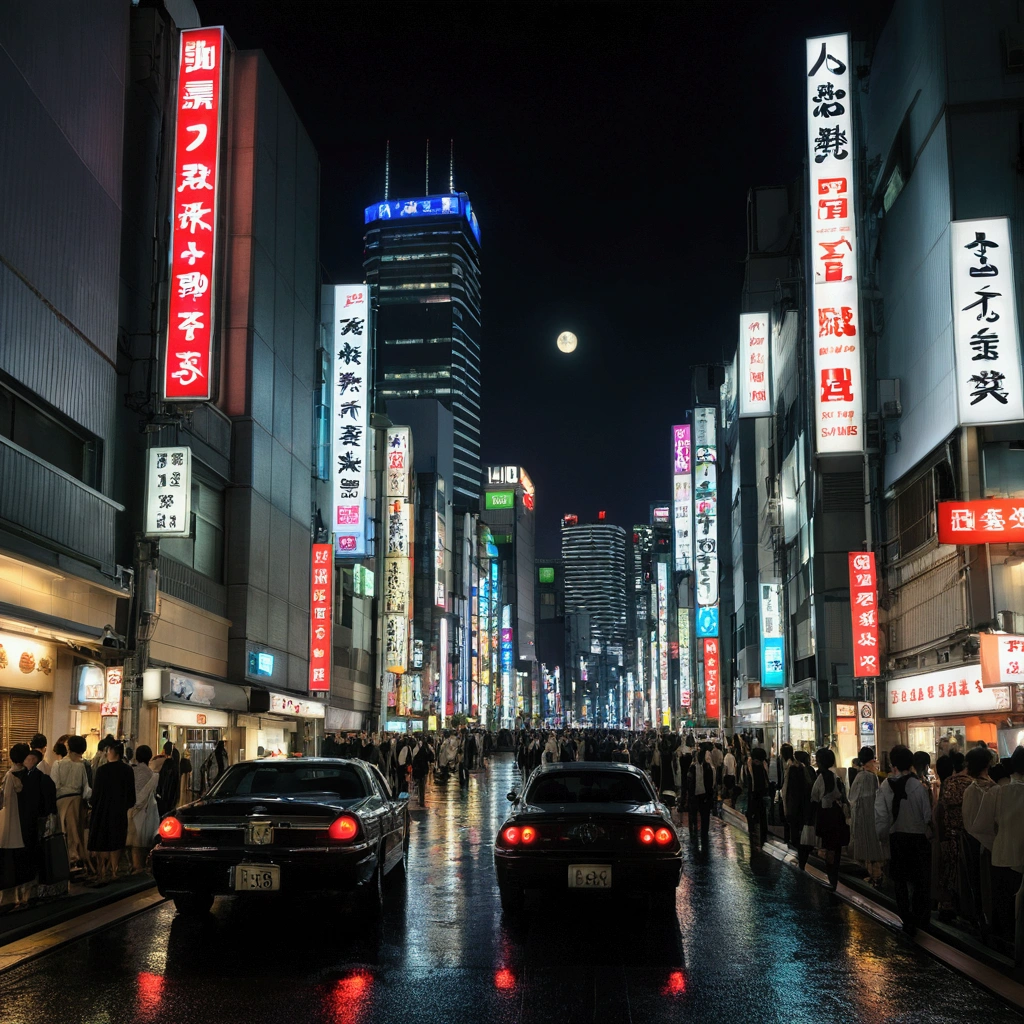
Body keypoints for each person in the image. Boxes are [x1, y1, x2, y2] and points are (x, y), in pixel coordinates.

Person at [875, 744, 933, 935]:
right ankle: (917, 917)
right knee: (918, 880)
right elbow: (927, 816)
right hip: (917, 839)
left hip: (896, 837)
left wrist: (883, 838)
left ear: (894, 765)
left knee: (899, 879)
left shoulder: (885, 786)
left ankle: (905, 917)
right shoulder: (918, 786)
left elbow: (881, 816)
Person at [970, 745, 1024, 943]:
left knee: (1004, 908)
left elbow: (978, 826)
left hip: (1001, 858)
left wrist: (997, 842)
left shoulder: (997, 792)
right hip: (1019, 860)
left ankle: (1005, 948)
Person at [88, 740, 136, 884]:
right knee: (117, 839)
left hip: (102, 810)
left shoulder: (102, 770)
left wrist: (92, 804)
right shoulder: (127, 770)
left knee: (102, 839)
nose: (107, 753)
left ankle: (102, 871)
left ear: (113, 752)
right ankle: (115, 870)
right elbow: (131, 795)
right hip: (119, 809)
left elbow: (96, 793)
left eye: (108, 751)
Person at [961, 745, 996, 932]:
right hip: (992, 845)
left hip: (973, 843)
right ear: (988, 764)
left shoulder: (971, 790)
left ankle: (980, 920)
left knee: (977, 885)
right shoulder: (995, 788)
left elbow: (967, 821)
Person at [935, 750, 971, 922]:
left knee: (948, 870)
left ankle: (947, 906)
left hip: (948, 835)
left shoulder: (948, 783)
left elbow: (941, 810)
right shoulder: (972, 784)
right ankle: (964, 909)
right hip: (967, 837)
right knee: (965, 873)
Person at [51, 735, 92, 875]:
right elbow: (86, 789)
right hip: (77, 801)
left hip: (61, 801)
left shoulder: (58, 764)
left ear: (68, 747)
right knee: (77, 831)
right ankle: (78, 859)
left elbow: (54, 785)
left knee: (63, 831)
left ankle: (68, 861)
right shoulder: (82, 766)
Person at [810, 748, 849, 890]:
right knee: (836, 846)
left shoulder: (820, 778)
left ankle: (831, 877)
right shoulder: (836, 777)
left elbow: (814, 797)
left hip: (825, 815)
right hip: (837, 815)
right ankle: (834, 875)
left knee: (828, 846)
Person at [848, 745, 884, 888]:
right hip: (872, 815)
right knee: (873, 845)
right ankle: (876, 875)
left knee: (864, 846)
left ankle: (873, 875)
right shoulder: (872, 777)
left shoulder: (860, 776)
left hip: (861, 815)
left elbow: (852, 797)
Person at [0, 745, 30, 909]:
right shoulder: (30, 775)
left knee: (9, 862)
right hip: (27, 824)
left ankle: (9, 898)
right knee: (23, 861)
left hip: (10, 826)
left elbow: (4, 802)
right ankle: (24, 895)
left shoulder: (9, 776)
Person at [126, 745, 160, 875]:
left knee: (132, 838)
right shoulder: (151, 774)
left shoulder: (132, 771)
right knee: (142, 839)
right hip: (146, 810)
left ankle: (133, 865)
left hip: (130, 808)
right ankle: (140, 865)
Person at [785, 750, 817, 869]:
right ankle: (803, 862)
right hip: (806, 809)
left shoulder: (794, 770)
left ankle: (801, 863)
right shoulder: (809, 771)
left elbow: (789, 792)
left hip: (796, 809)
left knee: (798, 839)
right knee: (805, 839)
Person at [687, 744, 715, 852]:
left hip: (703, 794)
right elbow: (690, 781)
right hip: (697, 794)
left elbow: (710, 781)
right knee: (698, 814)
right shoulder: (694, 767)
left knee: (704, 815)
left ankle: (702, 834)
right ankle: (697, 833)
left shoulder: (705, 767)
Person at [745, 748, 770, 852]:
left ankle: (756, 837)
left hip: (756, 794)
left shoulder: (754, 765)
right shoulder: (757, 765)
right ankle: (760, 838)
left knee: (755, 814)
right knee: (760, 815)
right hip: (757, 794)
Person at [153, 742, 179, 817]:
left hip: (163, 796)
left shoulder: (164, 762)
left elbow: (161, 780)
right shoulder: (175, 766)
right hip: (171, 797)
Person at [411, 734, 433, 806]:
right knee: (422, 784)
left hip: (418, 769)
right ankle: (421, 800)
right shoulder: (427, 747)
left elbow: (413, 758)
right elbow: (432, 756)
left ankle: (420, 799)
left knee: (419, 784)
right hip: (424, 769)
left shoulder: (416, 748)